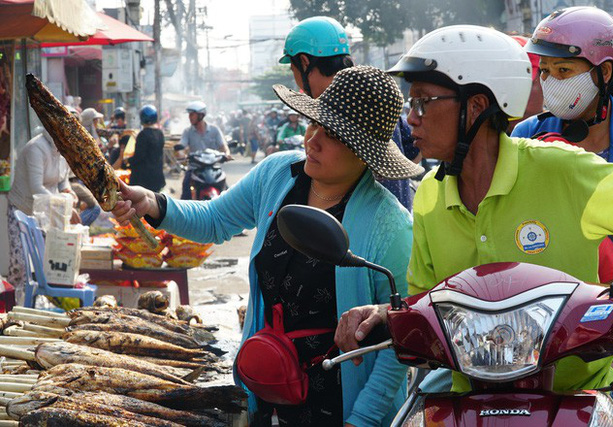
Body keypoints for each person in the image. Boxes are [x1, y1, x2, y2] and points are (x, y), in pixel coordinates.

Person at [333, 25, 613, 408]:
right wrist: (383, 312)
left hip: (581, 402)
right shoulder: (429, 192)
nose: (411, 118)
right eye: (412, 104)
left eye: (424, 101)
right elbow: (423, 300)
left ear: (476, 106)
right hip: (471, 403)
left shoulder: (564, 171)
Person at [112, 66, 423, 427]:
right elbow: (215, 219)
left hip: (343, 406)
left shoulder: (391, 225)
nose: (312, 140)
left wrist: (362, 421)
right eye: (312, 124)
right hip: (269, 393)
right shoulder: (278, 174)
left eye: (332, 134)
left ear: (364, 151)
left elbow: (397, 345)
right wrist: (151, 202)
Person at [512, 7, 613, 296]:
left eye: (564, 70)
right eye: (545, 70)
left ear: (604, 72)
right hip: (557, 311)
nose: (551, 81)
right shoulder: (527, 137)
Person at [280, 15, 421, 210]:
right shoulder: (373, 95)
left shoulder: (356, 101)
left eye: (292, 69)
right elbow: (415, 147)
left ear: (304, 63)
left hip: (367, 226)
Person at [6, 106, 81, 304]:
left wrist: (68, 192)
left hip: (47, 212)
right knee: (20, 264)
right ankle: (16, 305)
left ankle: (42, 300)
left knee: (46, 261)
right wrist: (66, 207)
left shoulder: (63, 151)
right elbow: (36, 188)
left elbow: (62, 180)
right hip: (22, 209)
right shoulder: (36, 149)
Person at [180, 101, 230, 199]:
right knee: (185, 191)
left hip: (213, 168)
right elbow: (182, 145)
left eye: (192, 115)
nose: (190, 117)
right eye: (189, 115)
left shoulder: (214, 130)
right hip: (195, 168)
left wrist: (227, 154)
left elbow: (223, 146)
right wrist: (181, 153)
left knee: (228, 194)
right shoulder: (187, 132)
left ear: (201, 115)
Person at [127, 105, 165, 193]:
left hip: (143, 180)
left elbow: (139, 157)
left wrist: (128, 161)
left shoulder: (143, 135)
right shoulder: (160, 133)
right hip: (157, 177)